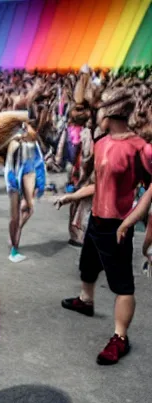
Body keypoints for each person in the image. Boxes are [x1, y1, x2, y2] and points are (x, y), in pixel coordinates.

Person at [56, 89, 152, 365]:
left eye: (100, 109)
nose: (95, 114)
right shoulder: (100, 143)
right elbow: (101, 183)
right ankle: (86, 300)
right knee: (87, 264)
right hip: (96, 220)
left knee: (123, 285)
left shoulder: (139, 148)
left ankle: (120, 338)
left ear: (110, 112)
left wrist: (134, 217)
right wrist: (73, 196)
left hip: (117, 226)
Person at [4, 125, 46, 262]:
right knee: (17, 215)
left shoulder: (31, 143)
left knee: (23, 212)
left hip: (23, 178)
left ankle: (14, 239)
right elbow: (12, 166)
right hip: (18, 179)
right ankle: (14, 249)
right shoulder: (16, 142)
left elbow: (38, 163)